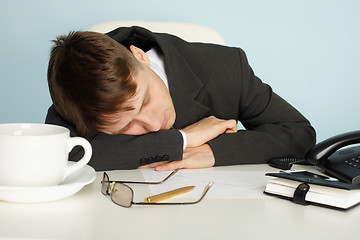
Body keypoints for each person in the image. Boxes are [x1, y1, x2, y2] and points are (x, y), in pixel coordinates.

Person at [45, 26, 316, 171]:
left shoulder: (226, 67)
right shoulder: (75, 90)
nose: (152, 125)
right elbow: (64, 155)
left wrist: (213, 151)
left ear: (140, 56)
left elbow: (298, 133)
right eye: (126, 126)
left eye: (145, 101)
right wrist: (184, 139)